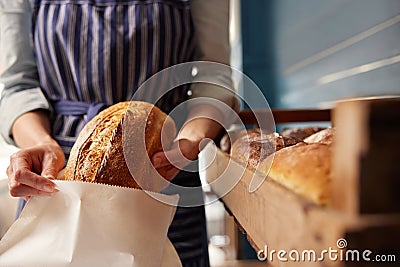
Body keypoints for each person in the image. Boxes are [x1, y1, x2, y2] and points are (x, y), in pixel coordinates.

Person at [0, 0, 239, 266]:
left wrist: (191, 139)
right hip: (59, 177)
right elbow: (15, 84)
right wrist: (40, 143)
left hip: (163, 168)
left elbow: (214, 77)